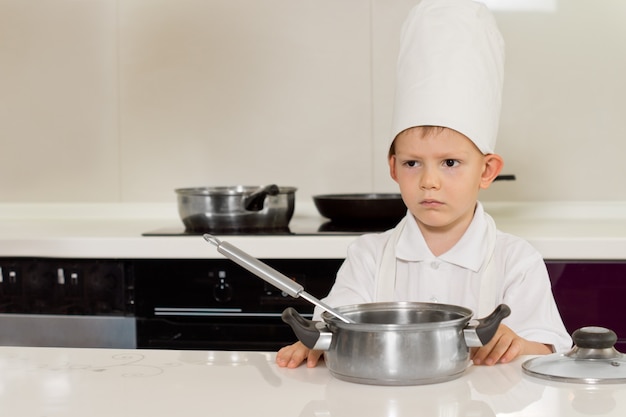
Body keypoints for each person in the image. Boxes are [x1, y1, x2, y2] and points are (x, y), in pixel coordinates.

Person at [276, 0, 572, 369]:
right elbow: (334, 331)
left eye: (450, 163)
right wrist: (315, 345)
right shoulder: (368, 257)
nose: (429, 182)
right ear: (393, 168)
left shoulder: (517, 261)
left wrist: (521, 345)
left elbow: (553, 353)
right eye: (413, 163)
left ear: (487, 171)